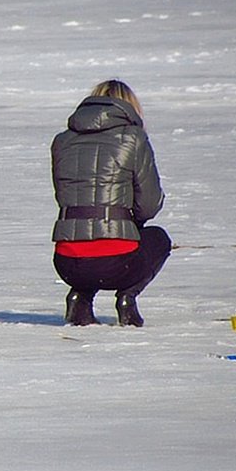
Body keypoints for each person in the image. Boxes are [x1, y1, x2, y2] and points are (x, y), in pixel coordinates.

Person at [50, 80, 171, 327]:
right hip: (117, 261)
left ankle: (80, 296)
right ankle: (127, 297)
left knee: (86, 237)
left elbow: (64, 197)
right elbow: (149, 204)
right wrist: (129, 222)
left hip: (66, 261)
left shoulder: (62, 140)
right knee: (159, 239)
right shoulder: (133, 138)